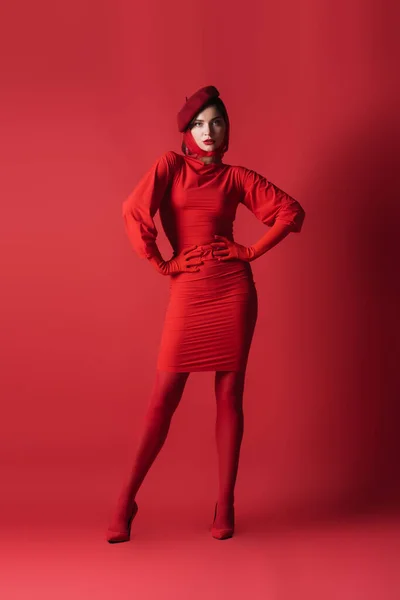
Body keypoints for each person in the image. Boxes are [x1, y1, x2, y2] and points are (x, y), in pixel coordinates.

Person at [106, 85, 306, 543]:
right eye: (198, 124)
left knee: (229, 396)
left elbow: (290, 211)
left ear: (227, 128)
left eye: (217, 122)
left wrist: (250, 250)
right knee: (163, 399)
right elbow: (133, 210)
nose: (208, 131)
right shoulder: (170, 166)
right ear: (186, 131)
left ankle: (225, 503)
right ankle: (125, 501)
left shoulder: (236, 178)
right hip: (188, 290)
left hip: (233, 291)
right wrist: (162, 262)